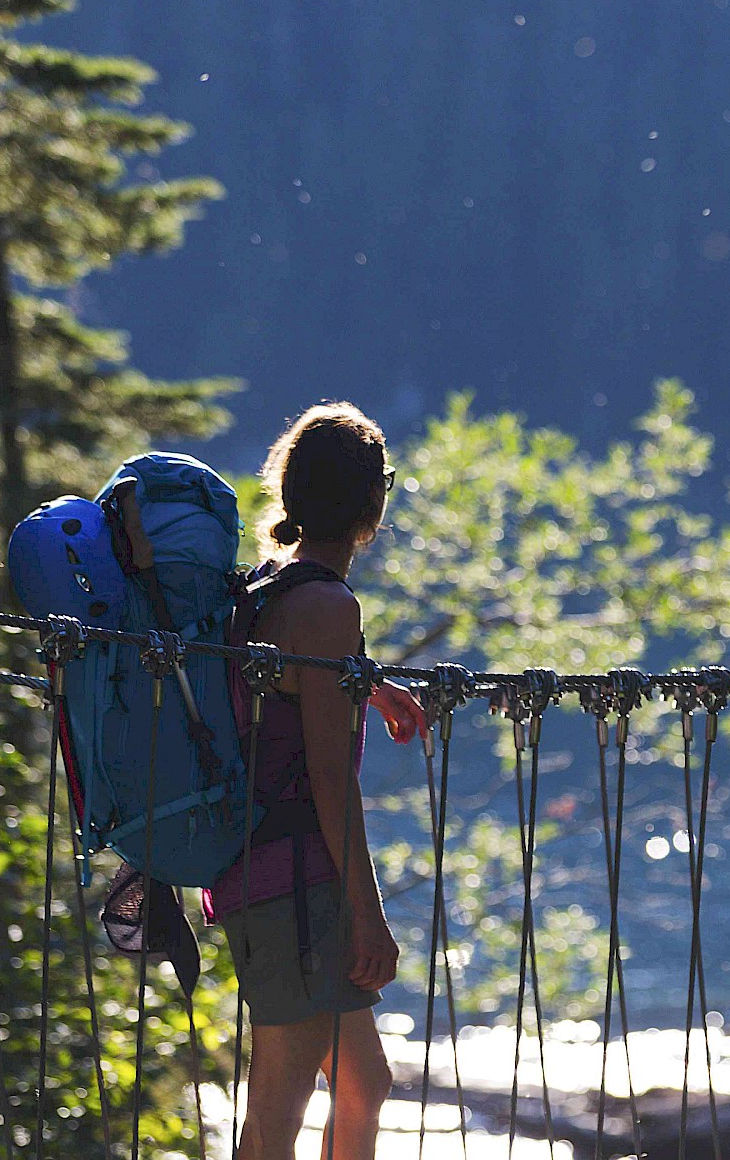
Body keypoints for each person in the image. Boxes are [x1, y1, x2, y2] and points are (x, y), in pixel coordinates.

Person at [211, 402, 429, 1160]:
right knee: (276, 1117)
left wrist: (367, 685)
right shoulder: (330, 606)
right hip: (294, 883)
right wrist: (368, 918)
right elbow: (332, 782)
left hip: (260, 871)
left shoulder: (265, 587)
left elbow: (279, 686)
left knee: (364, 1087)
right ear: (372, 504)